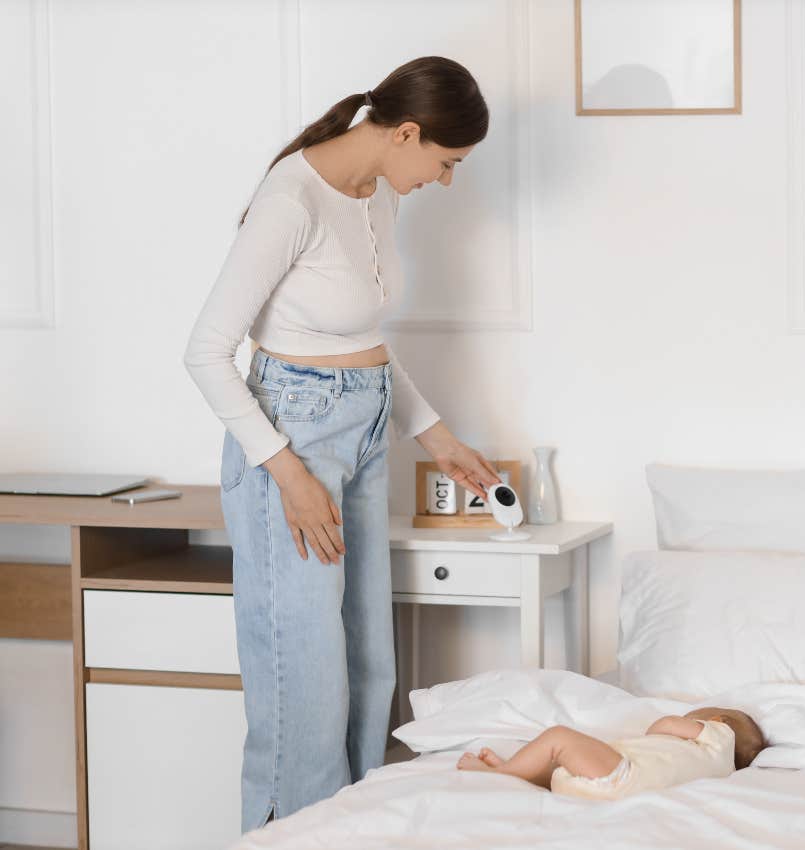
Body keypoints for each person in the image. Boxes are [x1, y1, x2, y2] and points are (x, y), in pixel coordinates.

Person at [183, 56, 501, 833]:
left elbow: (364, 340)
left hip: (362, 433)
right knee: (306, 684)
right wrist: (288, 474)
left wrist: (436, 434)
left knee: (366, 674)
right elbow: (205, 351)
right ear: (406, 133)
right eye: (448, 162)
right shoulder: (290, 198)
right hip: (292, 444)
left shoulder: (377, 191)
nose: (448, 180)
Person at [456, 706, 766, 800]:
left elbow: (666, 724)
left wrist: (666, 727)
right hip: (609, 789)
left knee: (559, 738)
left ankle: (502, 772)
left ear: (716, 721)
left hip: (623, 774)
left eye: (692, 716)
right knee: (561, 768)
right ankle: (521, 771)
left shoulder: (719, 735)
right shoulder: (719, 771)